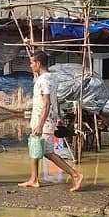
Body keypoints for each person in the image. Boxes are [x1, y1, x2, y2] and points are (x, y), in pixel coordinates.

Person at [19, 51, 83, 190]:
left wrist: (40, 125)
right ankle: (34, 179)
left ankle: (75, 174)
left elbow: (47, 103)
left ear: (38, 63)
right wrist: (58, 116)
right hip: (46, 118)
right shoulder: (52, 78)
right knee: (34, 146)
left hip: (44, 120)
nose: (30, 66)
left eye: (31, 63)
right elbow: (55, 100)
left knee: (47, 151)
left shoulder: (44, 80)